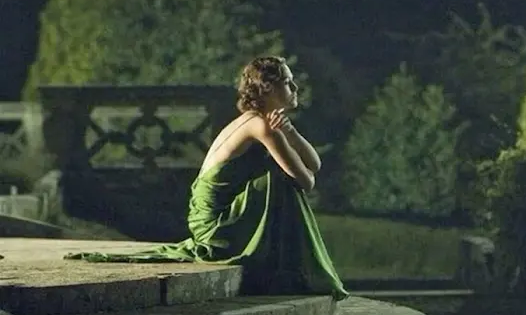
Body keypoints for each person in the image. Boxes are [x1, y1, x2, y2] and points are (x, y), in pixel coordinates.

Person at [66, 56, 349, 301]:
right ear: (267, 89)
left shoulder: (263, 122)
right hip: (216, 225)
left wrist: (290, 132)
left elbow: (315, 164)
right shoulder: (260, 126)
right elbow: (306, 182)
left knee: (277, 176)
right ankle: (292, 267)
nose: (295, 88)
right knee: (278, 179)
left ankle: (283, 262)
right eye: (287, 82)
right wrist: (285, 143)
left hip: (214, 216)